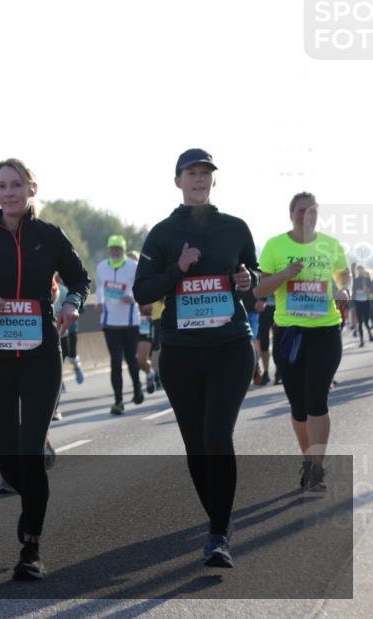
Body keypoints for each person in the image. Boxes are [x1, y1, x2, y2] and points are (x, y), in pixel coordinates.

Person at [0, 158, 89, 581]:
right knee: (8, 456)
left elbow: (79, 278)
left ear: (31, 189)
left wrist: (71, 304)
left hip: (39, 354)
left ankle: (30, 545)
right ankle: (26, 478)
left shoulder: (49, 236)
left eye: (16, 184)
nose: (9, 192)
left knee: (29, 452)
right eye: (2, 186)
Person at [134, 148, 258, 568]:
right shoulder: (163, 233)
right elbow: (143, 291)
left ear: (213, 181)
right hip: (182, 353)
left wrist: (247, 280)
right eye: (191, 172)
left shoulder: (235, 228)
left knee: (217, 436)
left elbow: (251, 278)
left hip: (230, 346)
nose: (199, 178)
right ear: (178, 181)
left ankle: (219, 534)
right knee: (195, 444)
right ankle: (217, 520)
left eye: (205, 173)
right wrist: (179, 269)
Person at [255, 192, 351, 492]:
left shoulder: (330, 245)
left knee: (316, 400)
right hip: (289, 335)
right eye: (301, 210)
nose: (307, 216)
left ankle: (317, 467)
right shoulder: (275, 246)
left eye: (312, 211)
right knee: (298, 406)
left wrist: (343, 289)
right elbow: (259, 291)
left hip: (325, 330)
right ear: (291, 214)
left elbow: (344, 274)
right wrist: (284, 274)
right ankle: (307, 459)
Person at [96, 235, 143, 414]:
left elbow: (140, 288)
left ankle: (137, 389)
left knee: (131, 359)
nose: (115, 251)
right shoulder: (102, 267)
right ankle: (118, 400)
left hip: (130, 321)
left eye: (118, 249)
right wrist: (99, 302)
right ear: (109, 250)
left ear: (124, 250)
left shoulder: (133, 267)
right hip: (109, 322)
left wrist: (132, 298)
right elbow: (100, 287)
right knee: (115, 362)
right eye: (112, 249)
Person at [353, 264, 372, 346]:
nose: (360, 271)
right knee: (360, 322)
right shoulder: (356, 280)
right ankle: (361, 340)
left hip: (366, 302)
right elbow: (353, 290)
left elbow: (371, 290)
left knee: (366, 322)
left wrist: (366, 290)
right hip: (358, 302)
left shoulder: (367, 280)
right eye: (358, 270)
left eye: (361, 269)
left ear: (363, 270)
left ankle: (370, 335)